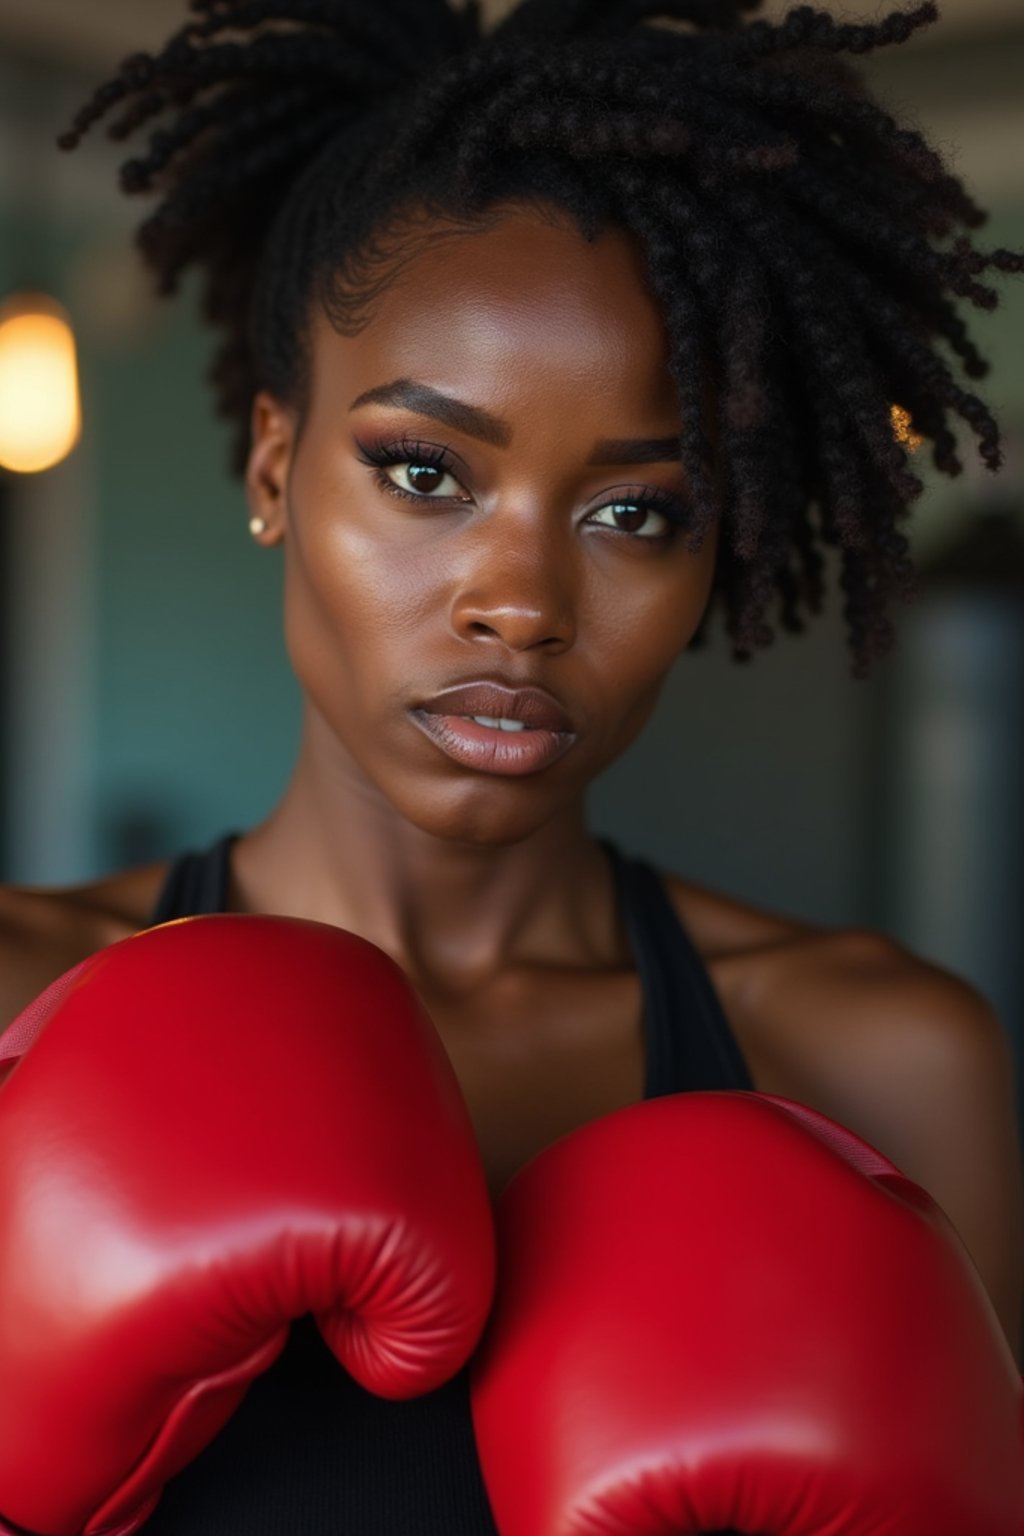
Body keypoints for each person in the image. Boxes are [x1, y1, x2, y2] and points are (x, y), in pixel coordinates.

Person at [0, 0, 1022, 1529]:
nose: (526, 602)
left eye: (637, 513)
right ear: (275, 467)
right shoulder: (14, 1004)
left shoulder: (885, 1061)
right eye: (427, 472)